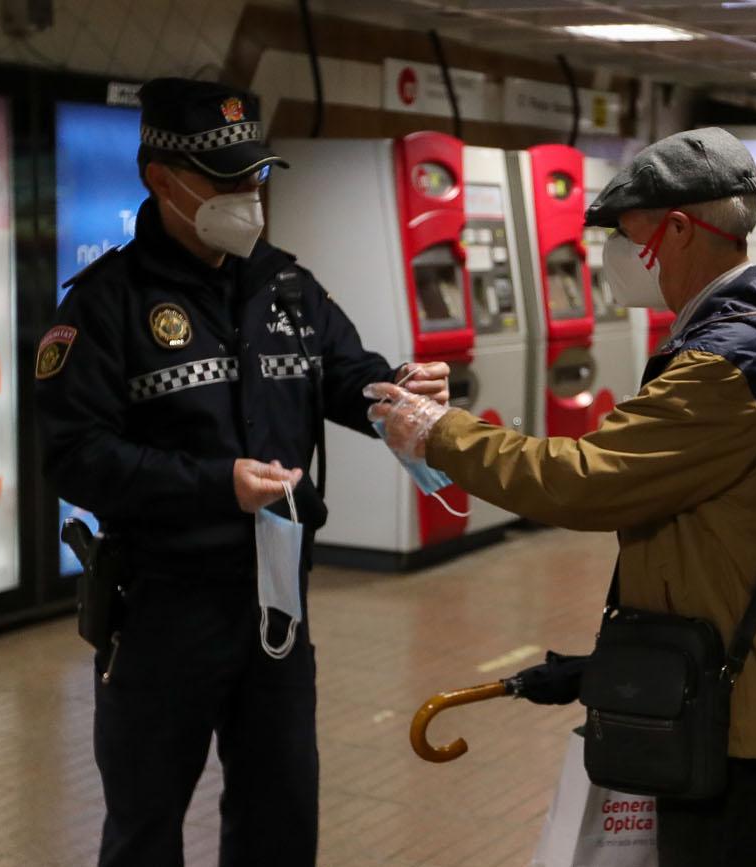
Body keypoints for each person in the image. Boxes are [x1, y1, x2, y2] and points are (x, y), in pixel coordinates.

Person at [369, 128, 756, 867]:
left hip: (725, 701)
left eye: (627, 236)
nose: (614, 257)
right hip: (721, 673)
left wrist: (442, 432)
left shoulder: (728, 365)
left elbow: (585, 479)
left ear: (679, 229)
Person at [35, 77, 448, 866]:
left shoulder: (285, 284)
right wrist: (213, 484)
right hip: (160, 608)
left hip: (277, 603)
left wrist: (395, 390)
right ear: (161, 179)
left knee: (281, 816)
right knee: (146, 825)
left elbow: (344, 374)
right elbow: (75, 455)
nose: (249, 196)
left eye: (256, 175)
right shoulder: (103, 306)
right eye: (225, 180)